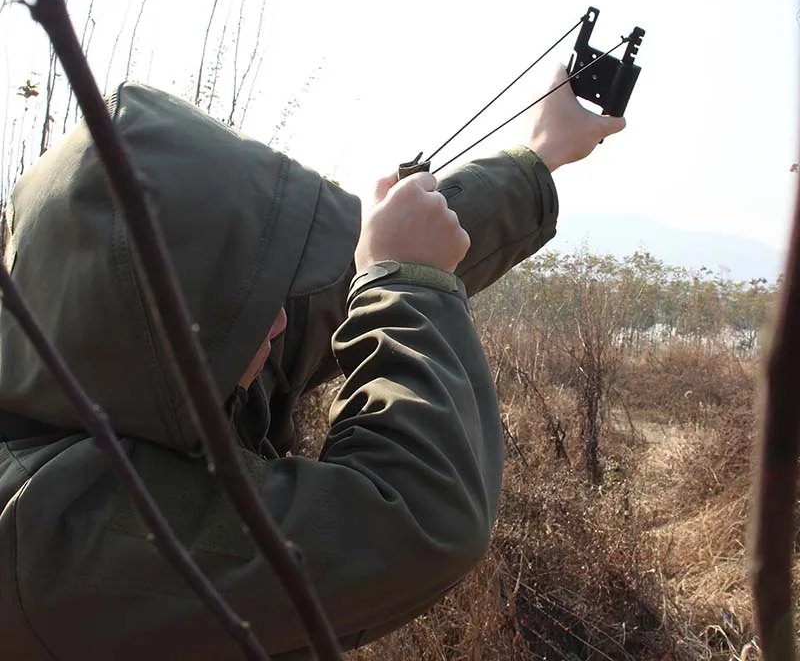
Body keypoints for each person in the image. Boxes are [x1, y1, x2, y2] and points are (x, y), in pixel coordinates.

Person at [0, 65, 624, 659]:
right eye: (246, 305)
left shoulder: (113, 365)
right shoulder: (60, 539)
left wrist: (537, 158)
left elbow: (323, 293)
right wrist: (406, 281)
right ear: (167, 326)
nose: (277, 319)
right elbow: (417, 518)